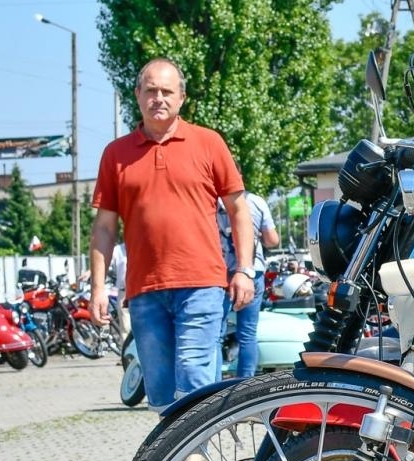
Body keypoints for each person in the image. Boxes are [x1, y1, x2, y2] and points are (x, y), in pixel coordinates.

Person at [90, 57, 254, 413]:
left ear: (182, 97)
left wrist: (244, 269)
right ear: (137, 95)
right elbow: (104, 227)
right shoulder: (115, 155)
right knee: (161, 392)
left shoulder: (208, 143)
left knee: (194, 375)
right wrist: (99, 287)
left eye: (167, 91)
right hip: (144, 290)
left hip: (202, 284)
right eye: (151, 90)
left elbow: (239, 209)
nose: (158, 98)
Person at [217, 190, 281, 378]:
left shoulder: (212, 202)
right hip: (253, 271)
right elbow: (272, 240)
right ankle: (244, 386)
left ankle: (210, 387)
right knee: (247, 334)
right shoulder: (256, 201)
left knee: (215, 335)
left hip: (221, 271)